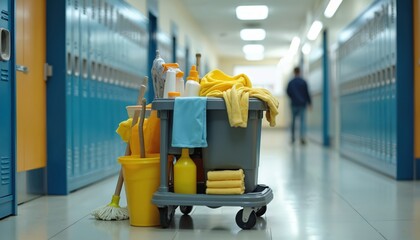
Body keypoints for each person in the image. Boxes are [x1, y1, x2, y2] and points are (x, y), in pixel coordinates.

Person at [286, 67, 312, 145]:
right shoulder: (303, 82)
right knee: (302, 122)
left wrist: (292, 98)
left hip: (294, 104)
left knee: (293, 122)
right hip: (302, 104)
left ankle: (293, 138)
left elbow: (288, 92)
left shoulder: (291, 82)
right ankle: (302, 138)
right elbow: (307, 93)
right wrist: (309, 103)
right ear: (300, 72)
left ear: (294, 72)